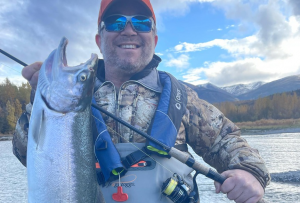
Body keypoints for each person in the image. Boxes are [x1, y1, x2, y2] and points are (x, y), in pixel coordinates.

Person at [13, 0, 270, 202]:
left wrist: (250, 172)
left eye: (141, 23)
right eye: (115, 23)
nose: (128, 30)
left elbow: (226, 140)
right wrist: (40, 100)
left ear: (154, 40)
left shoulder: (183, 98)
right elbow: (27, 155)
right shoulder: (74, 97)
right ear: (99, 40)